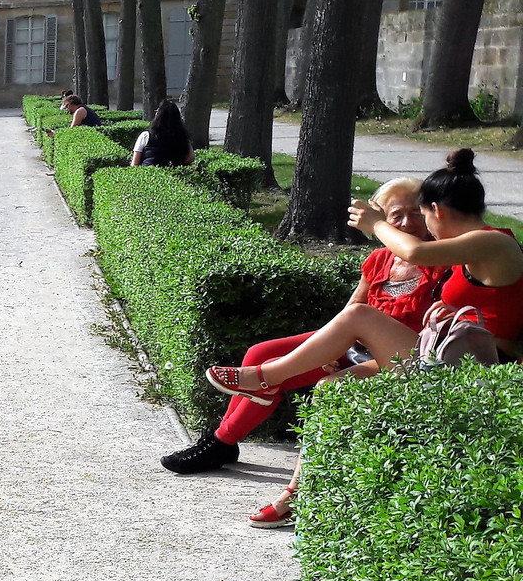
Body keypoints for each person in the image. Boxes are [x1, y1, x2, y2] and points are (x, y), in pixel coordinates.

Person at [204, 151, 523, 524]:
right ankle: (299, 492)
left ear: (435, 209)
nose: (424, 226)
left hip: (473, 371)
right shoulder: (474, 251)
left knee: (358, 315)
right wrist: (451, 312)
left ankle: (266, 379)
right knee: (328, 388)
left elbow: (415, 251)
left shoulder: (494, 242)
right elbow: (492, 307)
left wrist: (375, 224)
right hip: (443, 356)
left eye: (423, 216)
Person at [161, 178, 445, 522]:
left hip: (392, 358)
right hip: (354, 346)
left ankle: (222, 441)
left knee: (270, 376)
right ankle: (227, 436)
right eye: (395, 215)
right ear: (379, 217)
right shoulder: (380, 259)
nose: (405, 223)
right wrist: (330, 351)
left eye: (415, 213)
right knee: (258, 354)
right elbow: (351, 311)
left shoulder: (439, 259)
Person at [131, 100, 194, 167]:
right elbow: (191, 157)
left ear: (158, 115)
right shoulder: (183, 136)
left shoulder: (146, 135)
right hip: (174, 174)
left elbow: (135, 164)